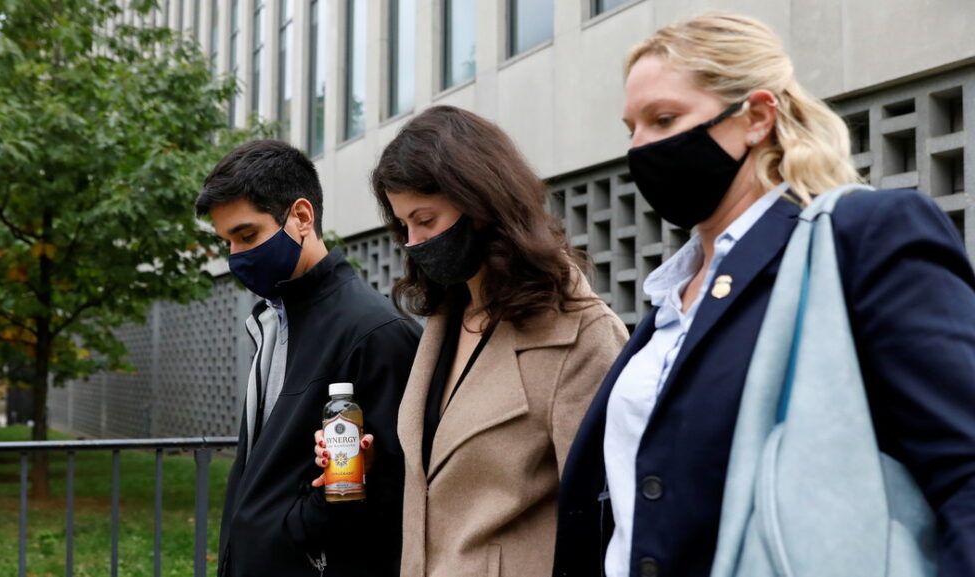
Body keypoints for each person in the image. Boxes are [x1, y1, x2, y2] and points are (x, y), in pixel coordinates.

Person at [553, 12, 975, 577]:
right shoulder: (671, 297)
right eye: (631, 127)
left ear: (755, 116)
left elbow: (964, 468)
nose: (640, 148)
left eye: (664, 119)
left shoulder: (864, 236)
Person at [312, 105, 627, 577]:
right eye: (403, 227)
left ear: (482, 204)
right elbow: (448, 482)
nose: (413, 242)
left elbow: (603, 523)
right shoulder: (445, 320)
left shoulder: (583, 335)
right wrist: (374, 465)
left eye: (426, 220)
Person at [195, 140, 422, 577]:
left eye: (247, 235)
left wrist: (293, 532)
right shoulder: (273, 322)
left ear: (301, 217)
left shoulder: (375, 333)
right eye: (227, 242)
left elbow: (395, 491)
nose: (236, 256)